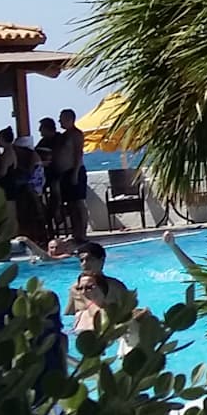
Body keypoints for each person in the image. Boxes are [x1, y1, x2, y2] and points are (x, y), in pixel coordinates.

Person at [66, 239, 126, 336]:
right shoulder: (75, 288)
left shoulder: (116, 287)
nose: (84, 263)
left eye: (89, 259)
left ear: (101, 260)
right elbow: (69, 315)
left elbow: (128, 314)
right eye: (81, 260)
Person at [49, 110, 88, 243]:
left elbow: (78, 154)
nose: (59, 121)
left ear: (69, 119)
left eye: (61, 118)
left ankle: (82, 233)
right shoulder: (64, 135)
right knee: (71, 204)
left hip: (75, 171)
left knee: (78, 203)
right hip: (65, 173)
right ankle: (76, 232)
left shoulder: (76, 134)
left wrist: (75, 173)